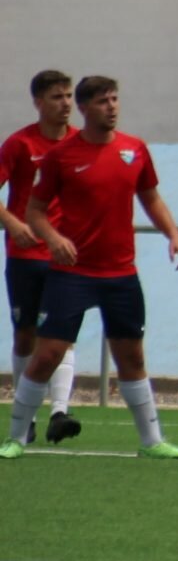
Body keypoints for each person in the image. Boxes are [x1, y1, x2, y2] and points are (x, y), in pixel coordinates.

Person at [3, 77, 178, 461]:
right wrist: (53, 240)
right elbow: (34, 211)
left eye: (115, 99)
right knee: (47, 353)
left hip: (121, 274)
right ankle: (16, 437)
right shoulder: (62, 156)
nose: (112, 107)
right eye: (103, 101)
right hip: (72, 275)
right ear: (88, 109)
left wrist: (173, 234)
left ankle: (152, 441)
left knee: (132, 358)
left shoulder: (134, 150)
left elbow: (151, 197)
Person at [2, 71, 81, 444]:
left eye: (68, 96)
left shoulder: (82, 144)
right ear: (38, 102)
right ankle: (25, 416)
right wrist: (12, 223)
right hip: (25, 254)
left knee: (62, 336)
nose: (65, 103)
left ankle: (60, 413)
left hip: (67, 256)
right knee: (26, 336)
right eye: (56, 97)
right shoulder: (19, 144)